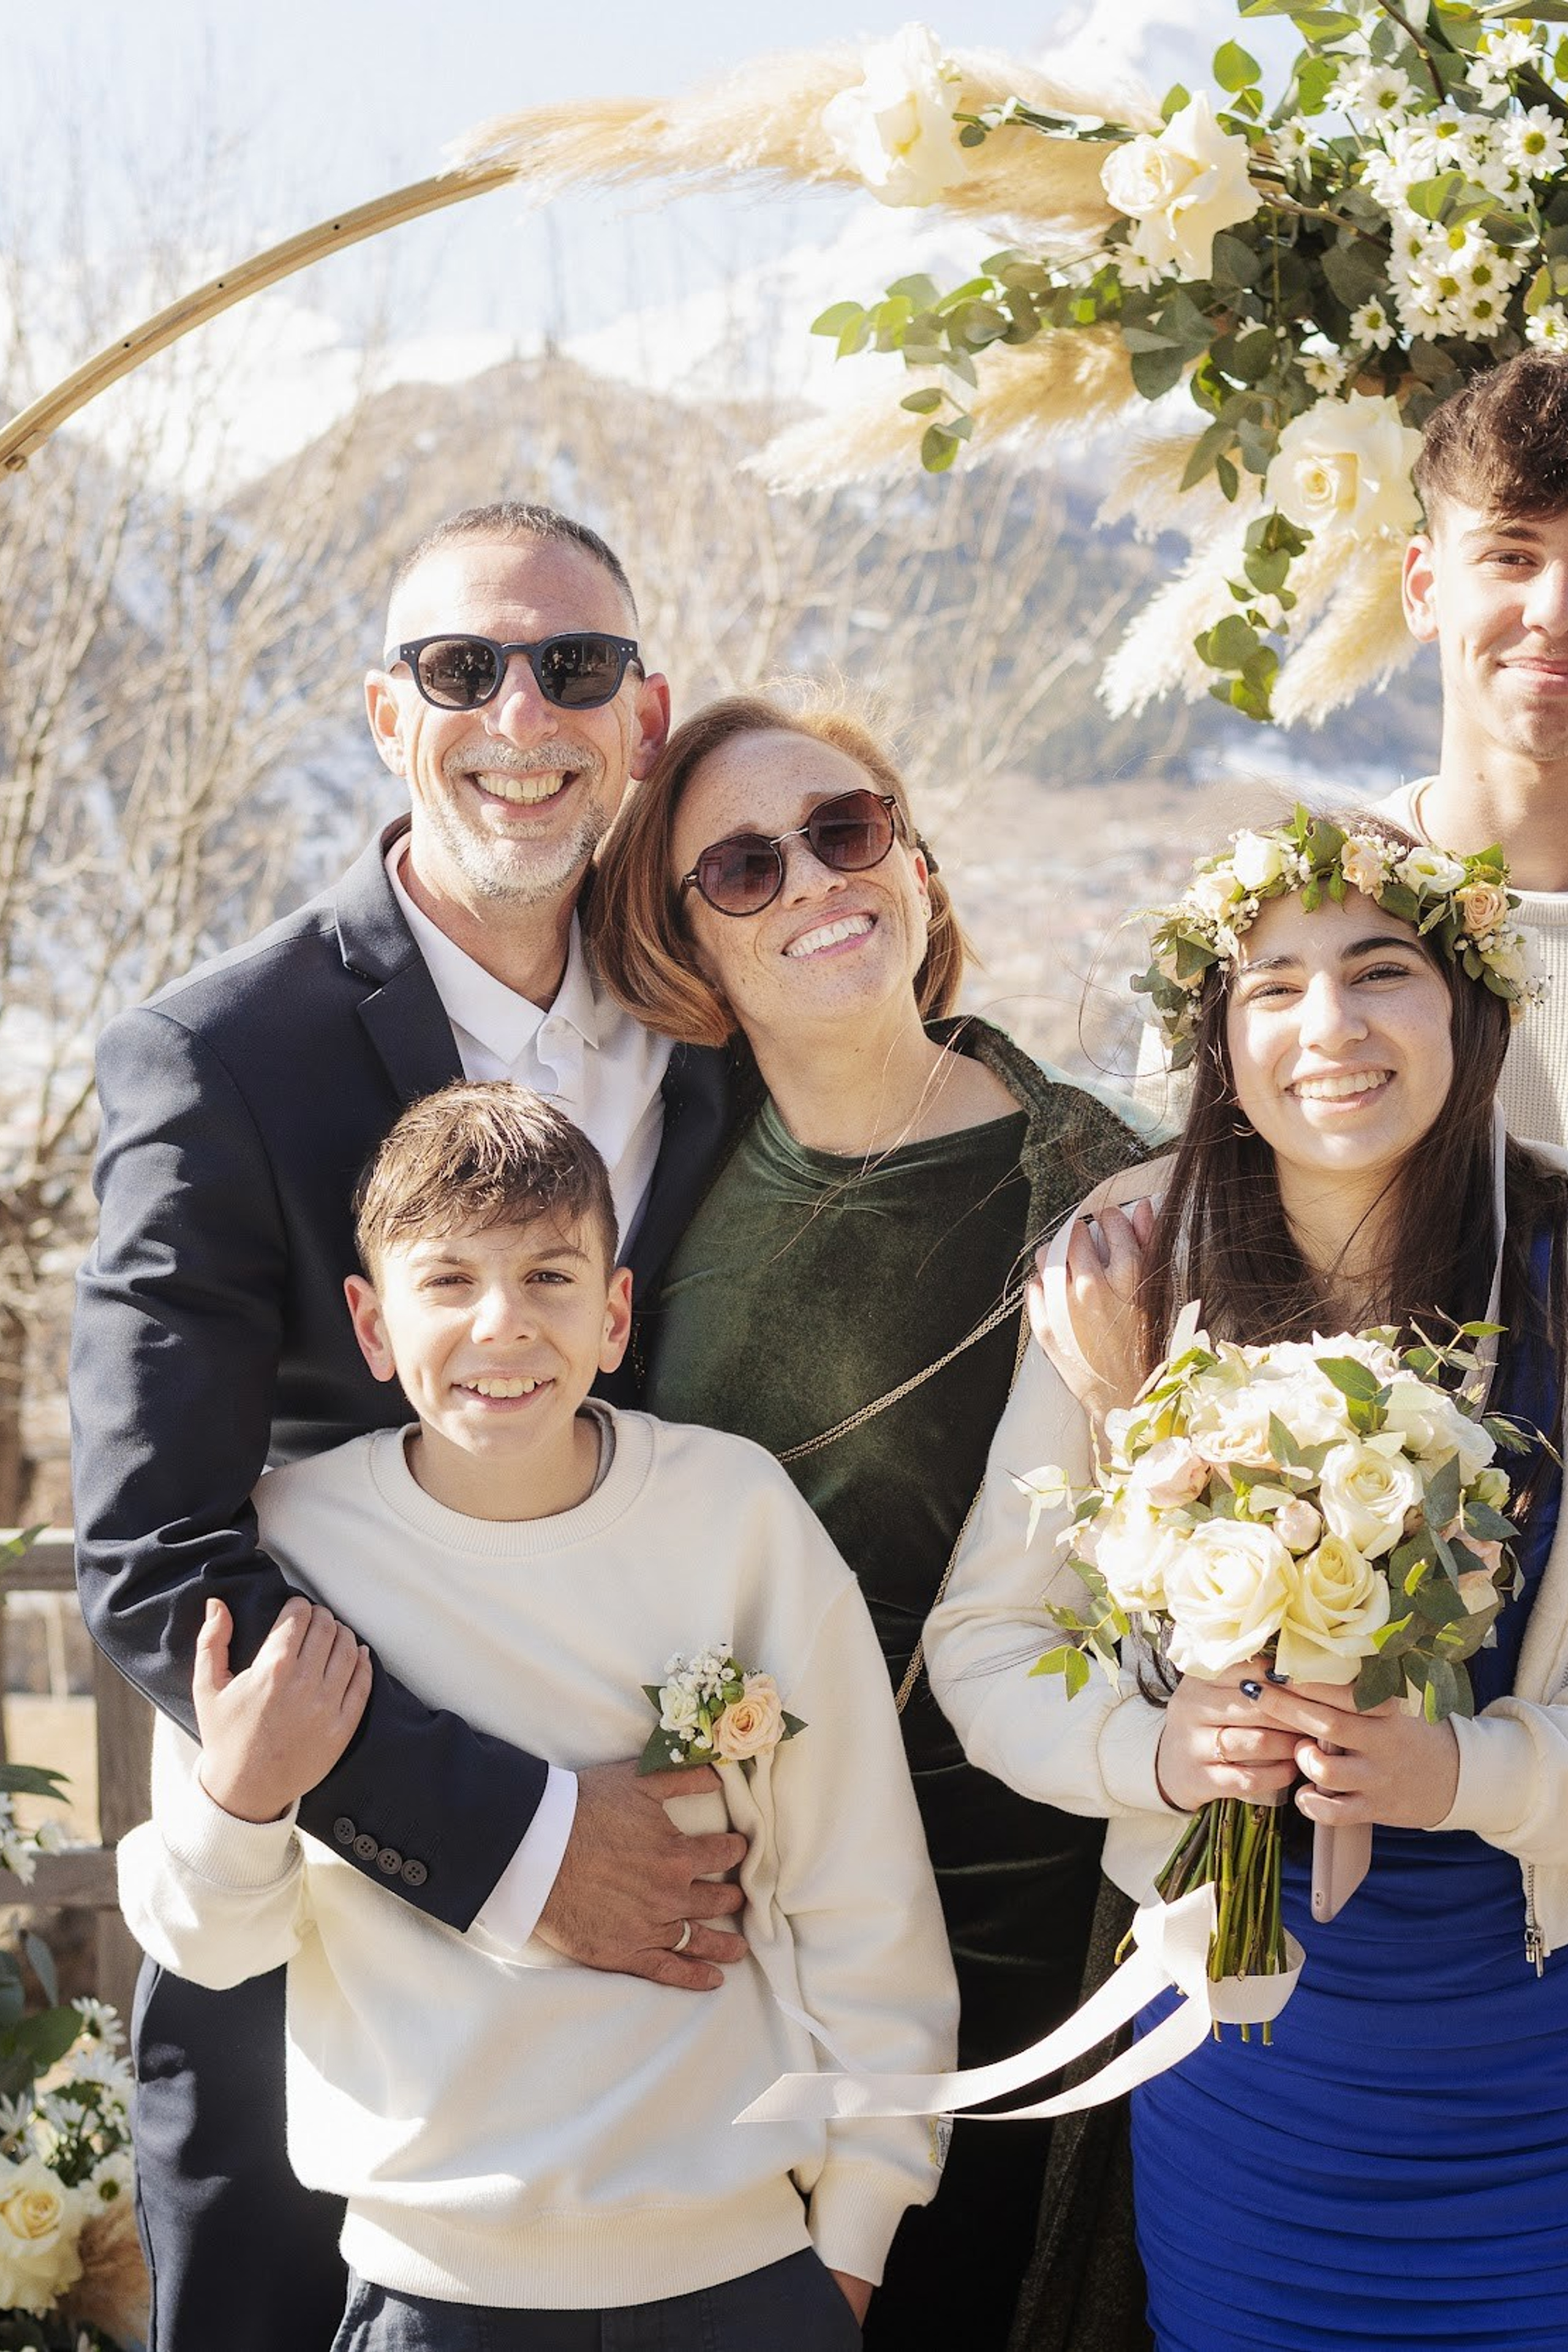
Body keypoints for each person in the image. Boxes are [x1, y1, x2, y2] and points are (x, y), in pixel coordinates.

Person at [69, 505, 741, 2352]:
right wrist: (524, 1842)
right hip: (333, 1964)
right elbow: (151, 1554)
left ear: (641, 713)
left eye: (575, 668)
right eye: (464, 669)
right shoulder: (221, 1055)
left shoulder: (721, 1025)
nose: (520, 711)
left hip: (688, 1984)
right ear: (389, 712)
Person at [117, 1081, 959, 2352]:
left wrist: (853, 2236)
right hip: (433, 2290)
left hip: (742, 2265)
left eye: (550, 1277)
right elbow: (211, 1945)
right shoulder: (287, 1547)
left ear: (615, 1311)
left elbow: (860, 1893)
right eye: (446, 1282)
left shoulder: (732, 1516)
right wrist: (241, 1801)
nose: (501, 1325)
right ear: (370, 1324)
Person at [925, 807, 1568, 2351]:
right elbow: (982, 1646)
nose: (1325, 1028)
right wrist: (1149, 1747)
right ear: (1216, 1034)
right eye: (1268, 986)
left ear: (1469, 1008)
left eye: (1378, 969)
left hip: (1530, 2050)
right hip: (1245, 2060)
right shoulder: (1129, 1254)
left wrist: (1470, 1772)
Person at [587, 692, 1152, 2348]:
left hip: (1035, 1927)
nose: (817, 884)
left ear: (911, 859)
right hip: (748, 1948)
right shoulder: (654, 1206)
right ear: (681, 942)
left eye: (847, 831)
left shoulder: (1115, 1198)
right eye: (743, 868)